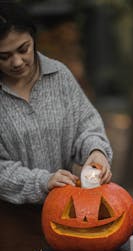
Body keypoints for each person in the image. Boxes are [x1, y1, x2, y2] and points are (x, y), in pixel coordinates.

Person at [0, 1, 113, 205]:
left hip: (66, 208)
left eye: (23, 49)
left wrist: (96, 152)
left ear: (34, 38)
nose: (16, 62)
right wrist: (43, 181)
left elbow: (86, 126)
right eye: (4, 56)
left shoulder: (59, 75)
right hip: (9, 220)